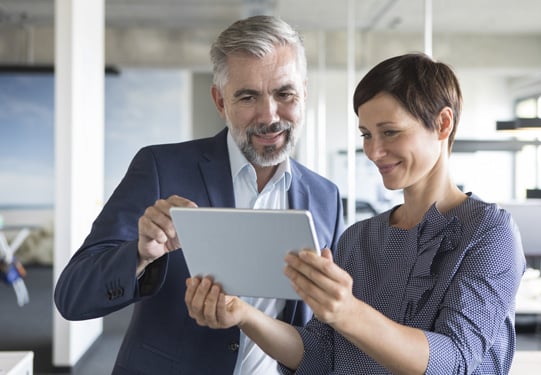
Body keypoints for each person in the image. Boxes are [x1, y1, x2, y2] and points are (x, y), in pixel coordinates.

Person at [185, 53, 526, 374]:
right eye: (366, 135)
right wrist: (244, 314)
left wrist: (347, 311)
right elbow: (319, 354)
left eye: (390, 131)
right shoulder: (359, 238)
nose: (374, 151)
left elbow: (456, 360)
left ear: (443, 123)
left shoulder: (488, 232)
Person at [54, 15, 345, 375]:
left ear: (304, 93)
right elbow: (71, 296)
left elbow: (321, 334)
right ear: (220, 102)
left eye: (284, 94)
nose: (270, 115)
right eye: (248, 96)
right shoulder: (161, 168)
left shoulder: (325, 197)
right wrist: (140, 255)